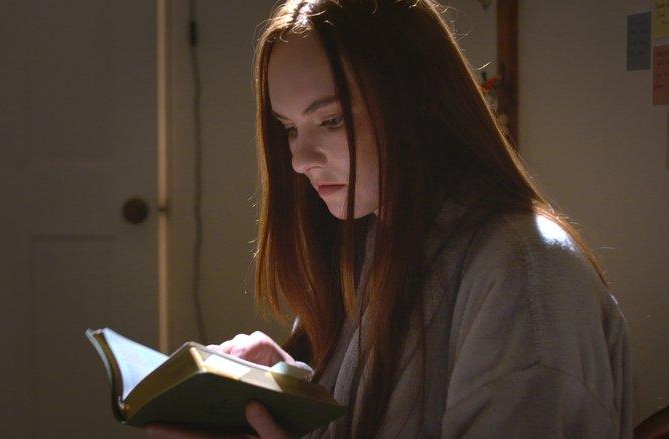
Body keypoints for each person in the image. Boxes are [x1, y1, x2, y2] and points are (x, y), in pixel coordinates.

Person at [145, 0, 633, 437]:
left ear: (420, 101)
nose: (299, 160)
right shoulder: (367, 242)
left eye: (331, 120)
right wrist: (286, 388)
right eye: (289, 128)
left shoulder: (526, 275)